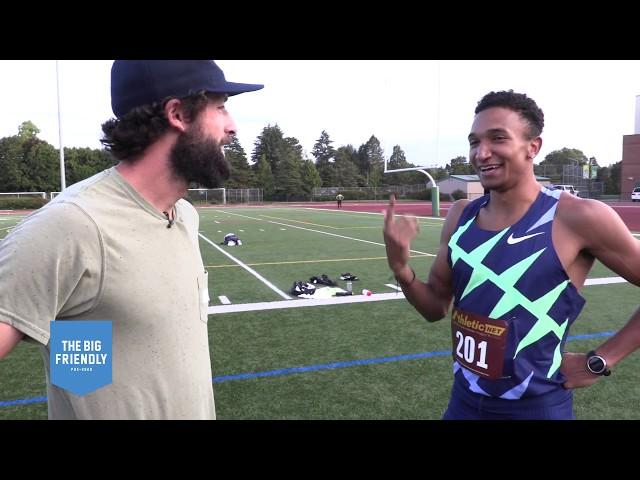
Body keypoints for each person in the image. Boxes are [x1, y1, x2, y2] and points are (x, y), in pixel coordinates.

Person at [0, 60, 263, 419]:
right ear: (178, 114)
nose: (231, 126)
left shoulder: (184, 215)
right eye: (220, 107)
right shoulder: (74, 223)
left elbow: (93, 349)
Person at [383, 90, 640, 420]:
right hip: (463, 404)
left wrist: (601, 359)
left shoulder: (578, 217)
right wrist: (401, 268)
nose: (481, 152)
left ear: (533, 147)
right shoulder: (460, 215)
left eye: (497, 138)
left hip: (537, 409)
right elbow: (435, 308)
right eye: (474, 141)